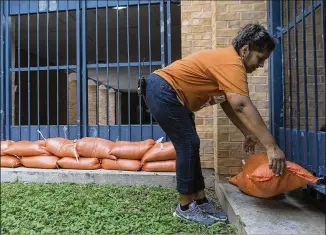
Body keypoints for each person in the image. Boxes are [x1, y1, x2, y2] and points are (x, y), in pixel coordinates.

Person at [143, 23, 286, 225]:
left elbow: (228, 103)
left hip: (169, 95)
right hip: (162, 90)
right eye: (260, 58)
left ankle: (200, 202)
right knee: (188, 143)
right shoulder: (232, 63)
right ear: (245, 50)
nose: (261, 65)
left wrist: (246, 132)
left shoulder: (228, 64)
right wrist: (272, 147)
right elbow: (241, 104)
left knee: (191, 144)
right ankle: (184, 207)